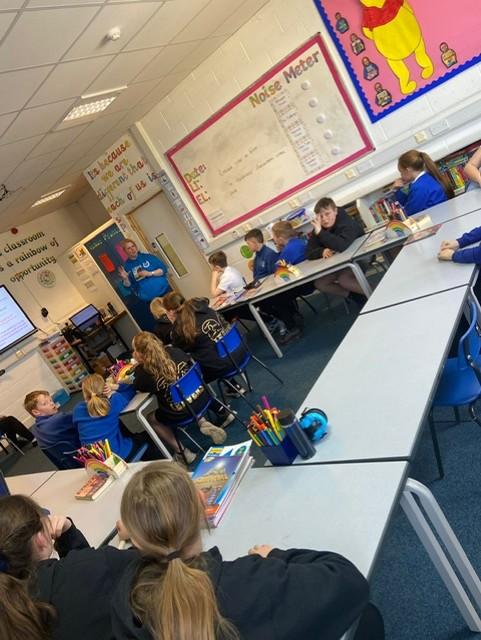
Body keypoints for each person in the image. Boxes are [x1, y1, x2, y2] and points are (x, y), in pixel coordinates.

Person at [111, 462, 385, 640]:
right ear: (202, 501)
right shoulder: (252, 582)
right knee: (368, 617)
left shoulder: (126, 602)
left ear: (137, 541)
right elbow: (350, 582)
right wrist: (275, 556)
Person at [0, 493, 138, 640]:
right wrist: (136, 532)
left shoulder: (9, 609)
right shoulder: (95, 564)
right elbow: (148, 558)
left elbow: (79, 581)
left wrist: (68, 536)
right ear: (40, 539)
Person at [132, 331, 231, 447]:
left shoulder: (144, 373)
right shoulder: (175, 351)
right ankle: (202, 422)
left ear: (140, 354)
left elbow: (137, 387)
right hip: (203, 396)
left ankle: (182, 451)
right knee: (185, 392)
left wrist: (139, 366)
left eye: (135, 350)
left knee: (151, 418)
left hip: (181, 413)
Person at [161, 292, 246, 393]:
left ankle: (213, 399)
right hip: (240, 349)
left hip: (223, 365)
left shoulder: (180, 329)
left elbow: (180, 352)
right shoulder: (204, 308)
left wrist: (174, 323)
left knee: (189, 364)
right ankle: (234, 386)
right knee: (208, 347)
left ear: (170, 312)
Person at [307, 197, 366, 305]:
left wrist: (320, 232)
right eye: (320, 216)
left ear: (335, 211)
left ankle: (374, 294)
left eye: (327, 214)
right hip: (340, 263)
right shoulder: (319, 227)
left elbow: (341, 245)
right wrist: (321, 251)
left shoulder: (347, 222)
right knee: (320, 283)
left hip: (360, 257)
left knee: (344, 280)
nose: (324, 219)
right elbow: (308, 252)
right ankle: (356, 296)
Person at [73, 374, 144, 460]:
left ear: (84, 393)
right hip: (118, 458)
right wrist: (113, 387)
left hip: (94, 462)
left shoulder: (77, 410)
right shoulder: (113, 402)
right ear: (104, 388)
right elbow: (132, 388)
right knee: (145, 437)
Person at [393, 149, 454, 216]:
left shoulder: (419, 187)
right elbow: (409, 201)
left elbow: (410, 212)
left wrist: (399, 213)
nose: (401, 176)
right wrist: (397, 190)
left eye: (401, 172)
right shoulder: (426, 178)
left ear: (408, 170)